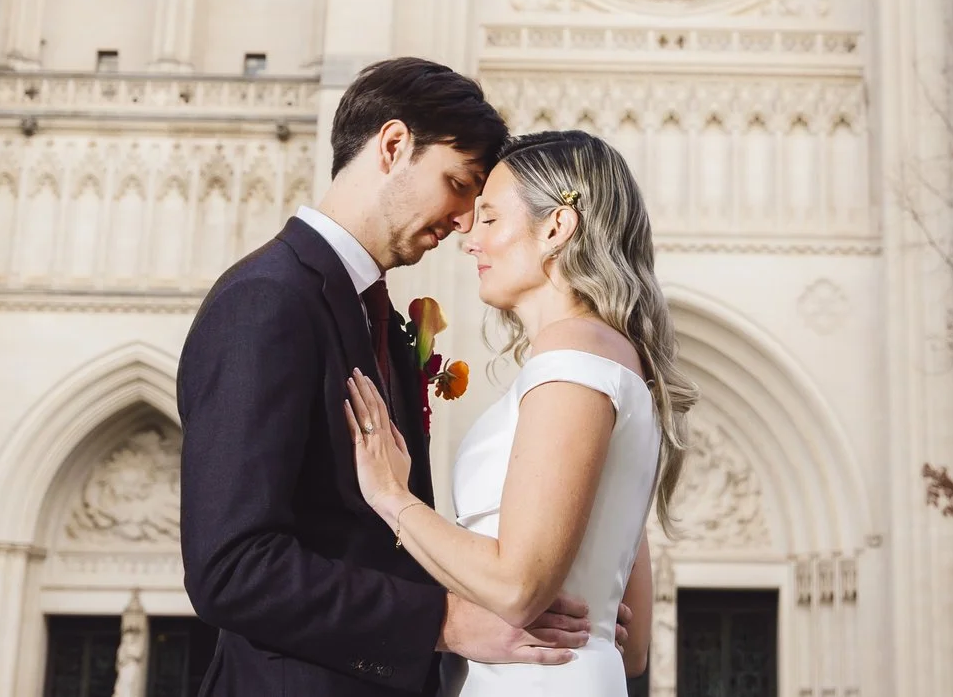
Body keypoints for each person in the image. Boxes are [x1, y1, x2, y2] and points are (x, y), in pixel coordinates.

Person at [180, 60, 598, 697]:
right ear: (395, 145)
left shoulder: (377, 316)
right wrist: (448, 621)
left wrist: (537, 600)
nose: (464, 221)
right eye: (457, 183)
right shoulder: (266, 300)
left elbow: (377, 540)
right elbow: (232, 568)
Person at [342, 130, 695, 697]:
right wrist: (593, 617)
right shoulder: (607, 356)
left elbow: (517, 588)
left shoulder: (574, 354)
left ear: (556, 228)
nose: (469, 238)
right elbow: (633, 646)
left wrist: (392, 497)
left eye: (489, 219)